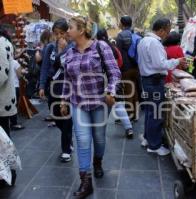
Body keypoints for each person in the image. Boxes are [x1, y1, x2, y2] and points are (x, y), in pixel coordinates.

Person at [61, 16, 120, 198]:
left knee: (99, 138)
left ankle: (97, 162)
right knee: (83, 140)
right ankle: (86, 182)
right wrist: (63, 99)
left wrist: (111, 91)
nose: (67, 31)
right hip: (78, 103)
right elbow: (67, 78)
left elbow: (114, 72)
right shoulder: (70, 52)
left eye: (70, 28)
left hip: (99, 102)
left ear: (81, 30)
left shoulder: (100, 47)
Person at [137, 18, 186, 156]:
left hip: (147, 81)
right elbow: (160, 64)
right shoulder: (154, 42)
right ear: (162, 29)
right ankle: (154, 145)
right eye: (168, 31)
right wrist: (177, 61)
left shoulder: (144, 41)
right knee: (156, 113)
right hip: (154, 81)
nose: (168, 34)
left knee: (150, 111)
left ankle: (148, 139)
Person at [39, 19, 74, 163]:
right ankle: (68, 138)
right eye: (56, 33)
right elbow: (45, 67)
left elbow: (69, 68)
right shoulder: (49, 48)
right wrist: (41, 86)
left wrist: (63, 50)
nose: (58, 36)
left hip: (66, 88)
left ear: (66, 33)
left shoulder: (72, 48)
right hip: (52, 87)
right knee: (56, 116)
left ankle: (66, 149)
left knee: (66, 118)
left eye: (61, 33)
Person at [97, 28, 134, 139]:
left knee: (108, 105)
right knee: (117, 104)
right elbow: (120, 62)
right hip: (115, 80)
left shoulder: (99, 47)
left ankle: (101, 131)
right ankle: (129, 128)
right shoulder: (113, 47)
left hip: (106, 82)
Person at [0, 25, 17, 187]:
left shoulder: (1, 43)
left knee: (4, 140)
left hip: (2, 101)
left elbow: (1, 74)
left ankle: (9, 173)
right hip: (4, 100)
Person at [116, 15, 140, 121]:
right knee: (134, 90)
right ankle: (135, 113)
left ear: (122, 23)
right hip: (136, 67)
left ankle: (129, 115)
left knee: (127, 91)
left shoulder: (120, 36)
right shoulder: (136, 35)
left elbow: (119, 54)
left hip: (125, 68)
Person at [9, 58, 27, 131]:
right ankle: (14, 123)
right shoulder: (14, 62)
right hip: (14, 86)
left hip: (6, 88)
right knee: (14, 105)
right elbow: (19, 75)